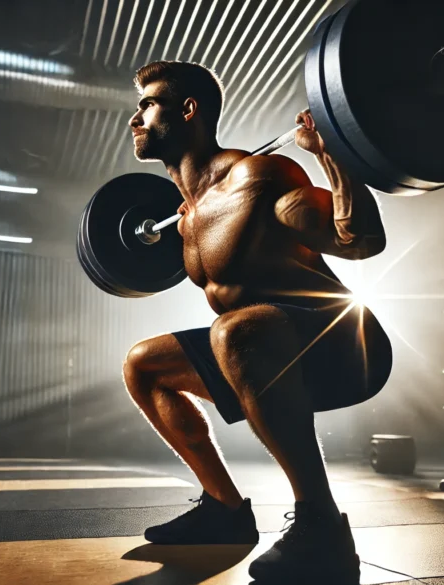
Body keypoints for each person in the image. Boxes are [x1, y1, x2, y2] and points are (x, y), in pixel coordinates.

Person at [122, 60, 393, 583]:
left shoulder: (257, 178)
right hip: (258, 346)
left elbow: (359, 240)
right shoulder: (187, 215)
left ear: (188, 111)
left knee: (235, 329)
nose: (136, 118)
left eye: (148, 105)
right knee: (144, 365)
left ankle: (322, 525)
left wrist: (332, 154)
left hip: (344, 346)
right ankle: (224, 510)